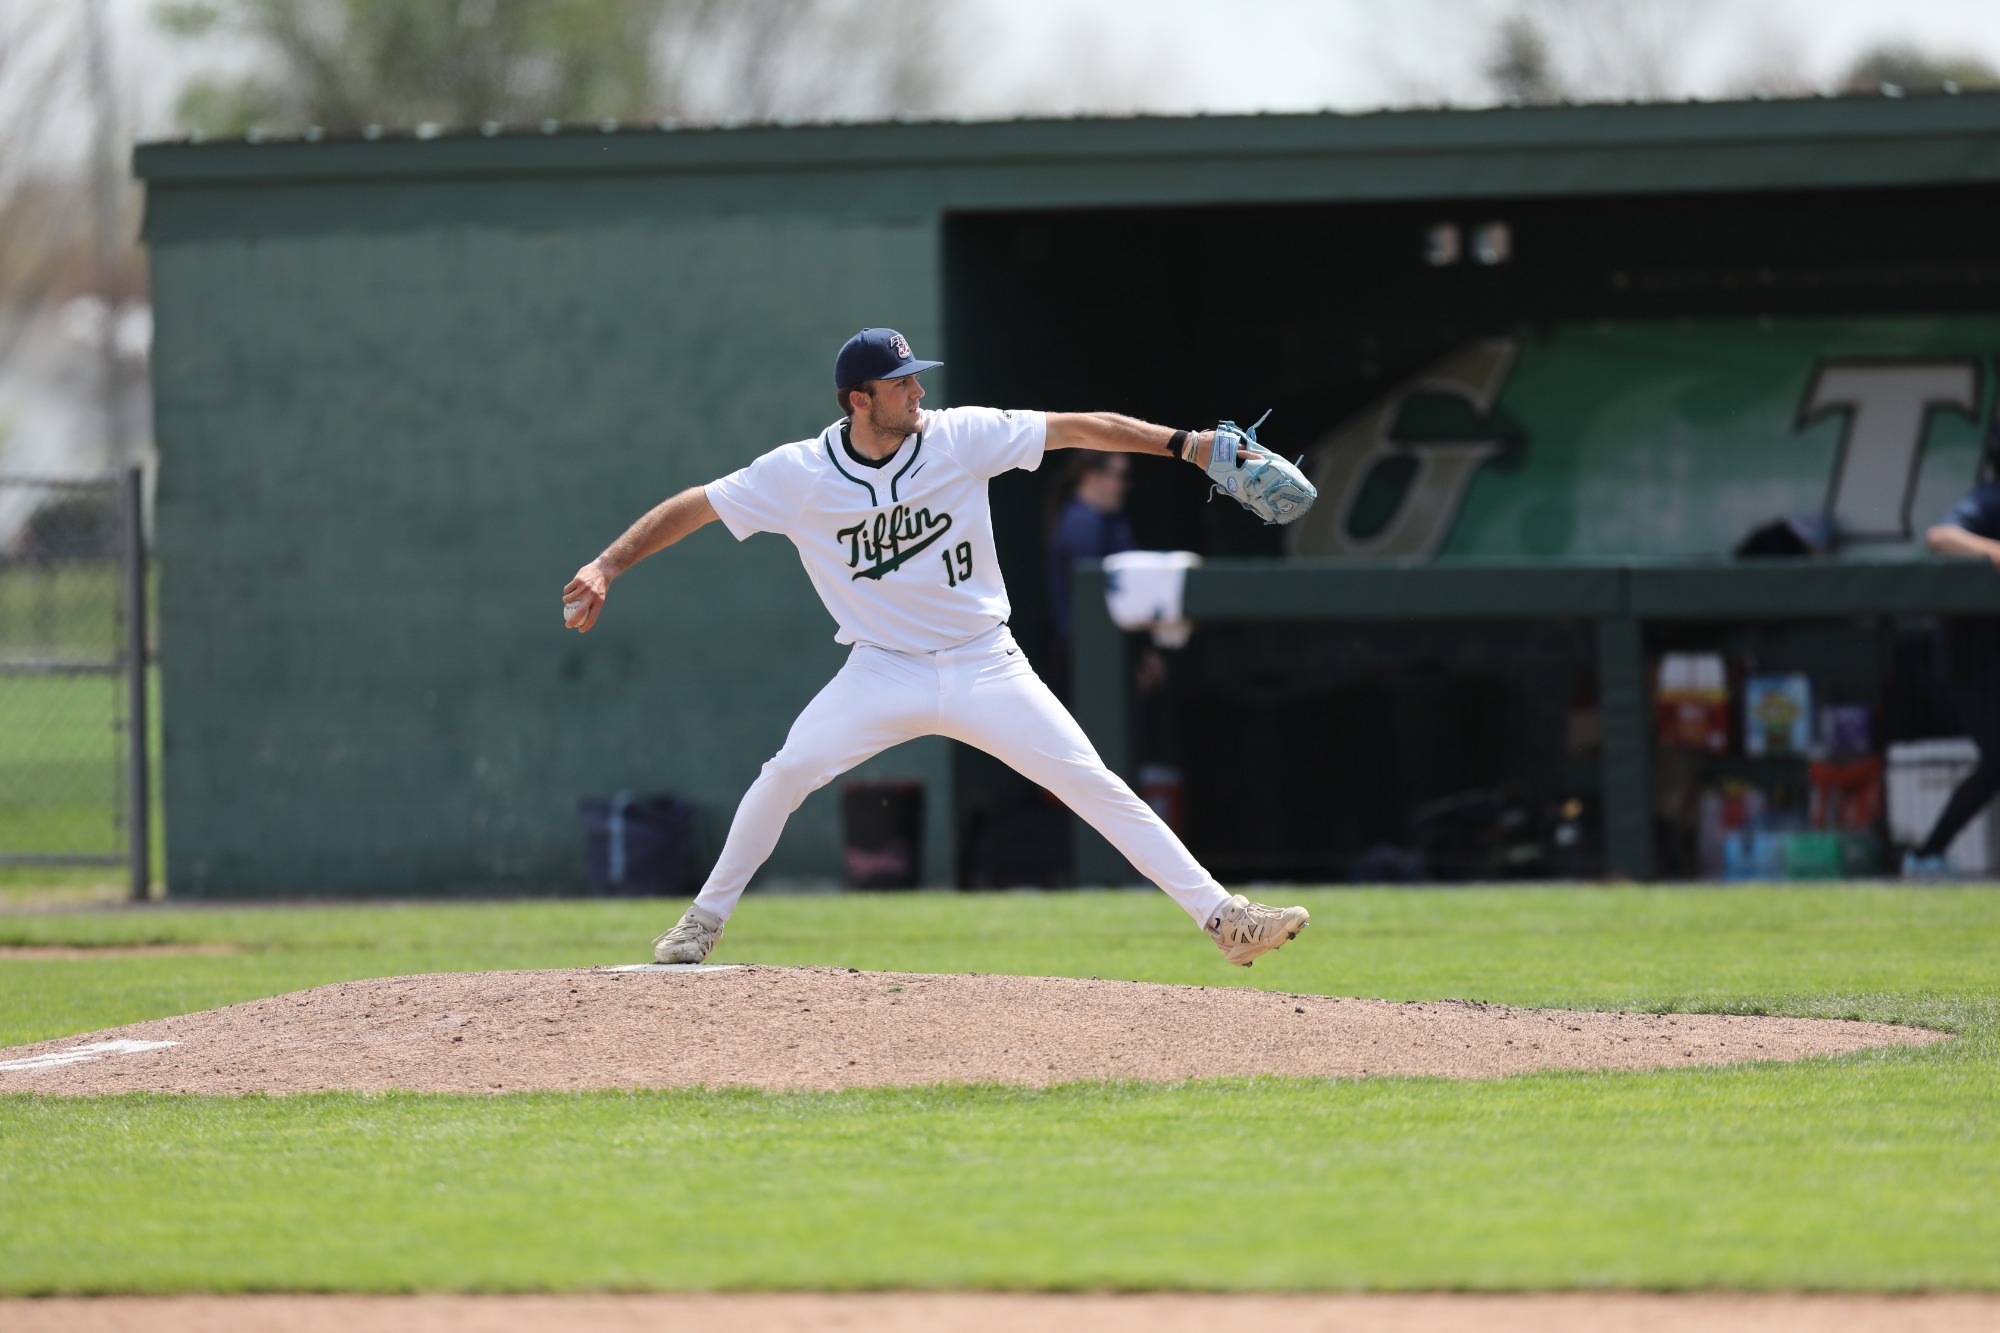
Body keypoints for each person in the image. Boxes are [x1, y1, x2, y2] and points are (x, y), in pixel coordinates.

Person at [562, 328, 1310, 967]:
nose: (916, 392)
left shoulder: (957, 435)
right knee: (786, 771)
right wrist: (606, 564)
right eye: (899, 383)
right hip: (881, 669)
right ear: (859, 399)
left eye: (917, 379)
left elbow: (1077, 427)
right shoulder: (799, 474)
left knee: (1094, 783)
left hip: (986, 661)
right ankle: (702, 922)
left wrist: (1185, 445)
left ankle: (1225, 920)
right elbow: (696, 505)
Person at [1910, 425, 2000, 877]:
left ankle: (1928, 854)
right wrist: (1993, 550)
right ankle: (1926, 856)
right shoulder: (1991, 499)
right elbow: (1940, 536)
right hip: (1974, 660)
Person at [1043, 451, 1165, 698]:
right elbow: (1097, 605)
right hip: (1090, 658)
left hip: (1114, 652)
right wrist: (1137, 656)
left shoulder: (1110, 520)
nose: (1124, 486)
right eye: (1120, 476)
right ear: (1092, 477)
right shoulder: (1081, 526)